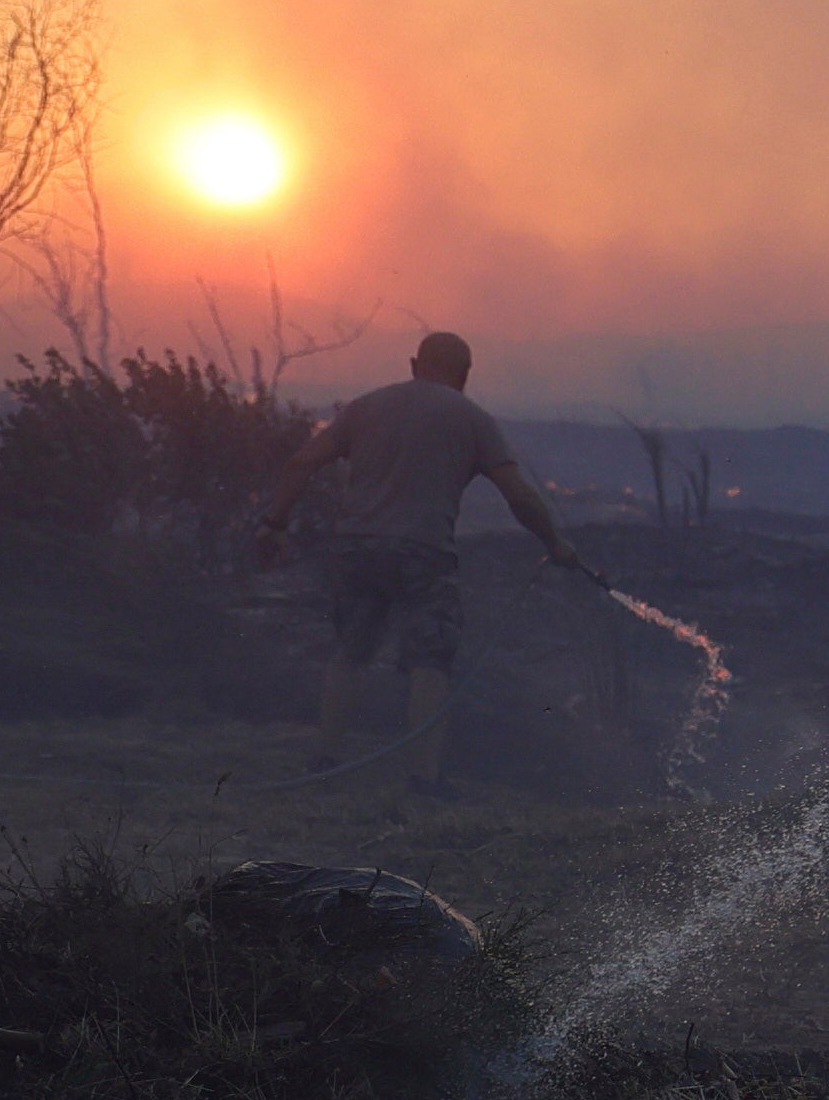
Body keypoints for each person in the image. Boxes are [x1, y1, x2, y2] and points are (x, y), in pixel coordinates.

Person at [258, 332, 603, 792]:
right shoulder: (473, 419)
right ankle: (425, 777)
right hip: (424, 554)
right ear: (464, 376)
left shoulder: (367, 406)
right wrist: (555, 542)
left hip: (357, 547)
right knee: (430, 662)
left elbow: (302, 461)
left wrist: (275, 523)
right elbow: (518, 494)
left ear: (413, 363)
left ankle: (325, 759)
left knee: (350, 653)